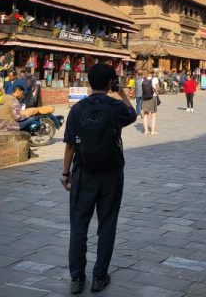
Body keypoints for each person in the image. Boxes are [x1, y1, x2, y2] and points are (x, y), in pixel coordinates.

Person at [61, 63, 136, 294]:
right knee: (107, 224)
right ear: (110, 83)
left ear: (89, 82)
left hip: (83, 173)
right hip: (111, 174)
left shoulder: (78, 109)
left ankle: (77, 279)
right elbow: (133, 114)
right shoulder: (115, 107)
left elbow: (70, 145)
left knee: (78, 225)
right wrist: (121, 92)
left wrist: (66, 173)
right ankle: (99, 276)